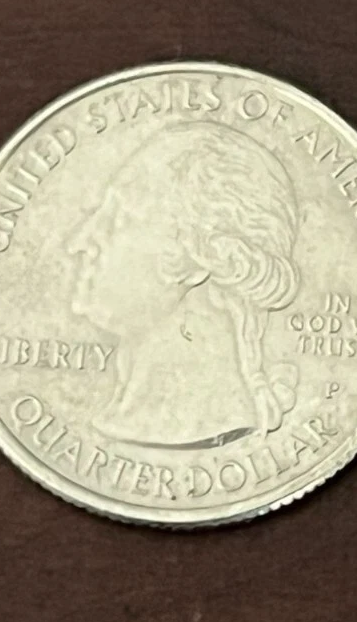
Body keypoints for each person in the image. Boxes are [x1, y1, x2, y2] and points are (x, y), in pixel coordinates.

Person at [67, 122, 300, 449]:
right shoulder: (124, 418)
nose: (80, 242)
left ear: (204, 257)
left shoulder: (207, 424)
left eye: (120, 216)